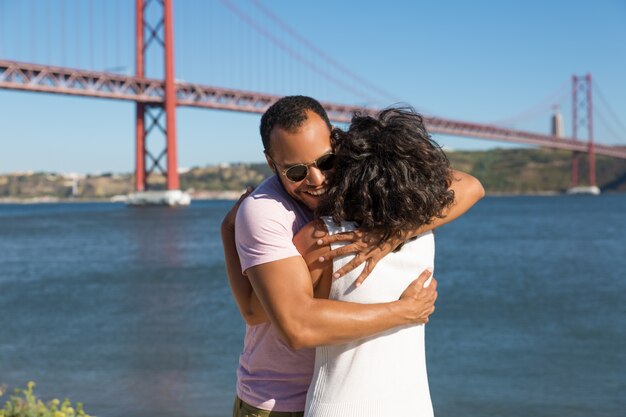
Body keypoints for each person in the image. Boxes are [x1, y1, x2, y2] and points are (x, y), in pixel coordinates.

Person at [221, 96, 484, 417]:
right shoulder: (265, 212)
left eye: (325, 162)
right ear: (271, 161)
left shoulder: (360, 173)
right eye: (296, 171)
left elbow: (468, 186)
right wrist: (404, 311)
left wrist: (389, 234)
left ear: (335, 139)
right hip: (279, 403)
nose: (316, 180)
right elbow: (290, 325)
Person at [294, 107, 451, 416]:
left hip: (337, 407)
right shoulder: (424, 233)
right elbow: (467, 185)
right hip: (414, 406)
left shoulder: (319, 238)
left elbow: (267, 311)